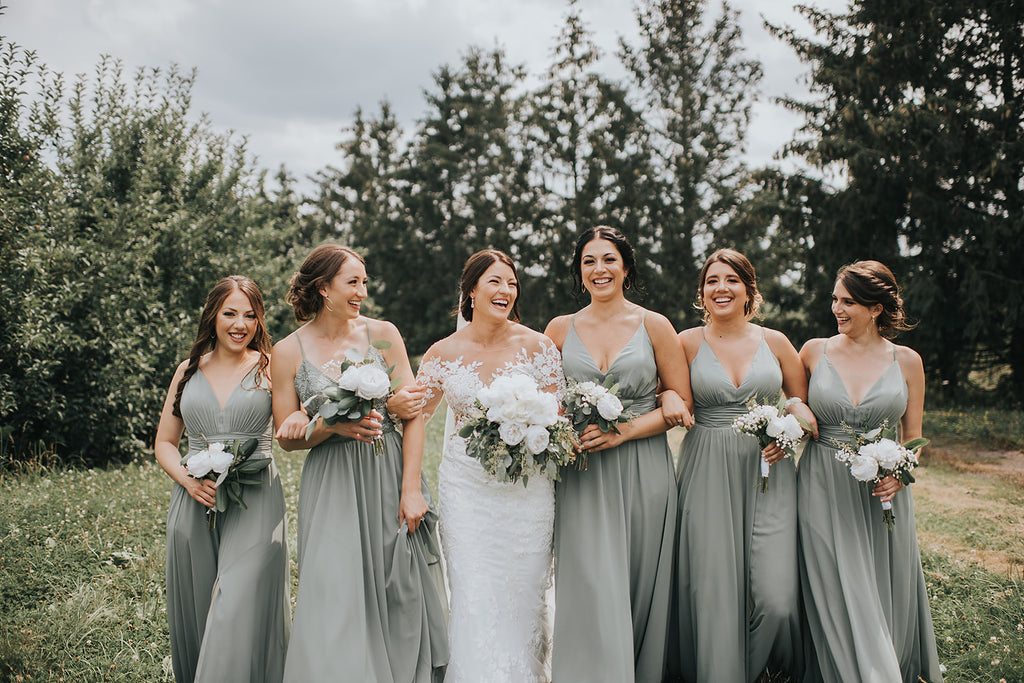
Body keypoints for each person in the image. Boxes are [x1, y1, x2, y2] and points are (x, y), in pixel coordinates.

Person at [271, 245, 448, 683]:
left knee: (396, 586)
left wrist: (411, 489)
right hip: (331, 482)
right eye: (353, 283)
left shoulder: (382, 333)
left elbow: (413, 414)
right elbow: (287, 440)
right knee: (336, 587)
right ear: (322, 287)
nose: (362, 292)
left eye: (364, 282)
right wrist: (329, 427)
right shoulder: (287, 352)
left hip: (387, 471)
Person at [543, 226, 693, 683]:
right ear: (579, 271)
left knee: (637, 577)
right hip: (582, 470)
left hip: (642, 467)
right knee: (588, 578)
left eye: (608, 259)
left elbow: (680, 402)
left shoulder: (654, 325)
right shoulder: (559, 329)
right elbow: (548, 403)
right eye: (589, 261)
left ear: (626, 268)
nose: (599, 269)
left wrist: (623, 432)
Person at [415, 249, 564, 682]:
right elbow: (415, 419)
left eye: (512, 283)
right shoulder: (443, 353)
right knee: (474, 592)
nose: (506, 291)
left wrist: (536, 431)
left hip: (528, 492)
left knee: (525, 591)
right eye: (495, 282)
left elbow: (559, 418)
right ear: (471, 291)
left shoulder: (538, 346)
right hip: (467, 492)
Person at [668, 248, 817, 682]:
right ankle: (718, 670)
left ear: (749, 290)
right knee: (712, 585)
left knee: (776, 595)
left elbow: (803, 401)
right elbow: (669, 392)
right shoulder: (685, 342)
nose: (721, 288)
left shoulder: (775, 342)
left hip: (769, 470)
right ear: (702, 292)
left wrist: (789, 422)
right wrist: (668, 397)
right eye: (712, 281)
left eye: (731, 280)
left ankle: (762, 664)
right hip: (706, 468)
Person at [797, 260, 942, 682]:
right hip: (822, 481)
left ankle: (885, 658)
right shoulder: (813, 351)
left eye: (848, 302)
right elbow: (793, 402)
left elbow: (913, 438)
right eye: (835, 300)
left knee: (877, 580)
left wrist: (902, 470)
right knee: (834, 579)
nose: (837, 310)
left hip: (883, 490)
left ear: (876, 309)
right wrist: (794, 409)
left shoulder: (908, 361)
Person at [154, 275, 290, 683]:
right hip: (193, 502)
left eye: (250, 315)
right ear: (213, 315)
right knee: (198, 609)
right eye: (230, 313)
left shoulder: (270, 368)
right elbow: (164, 442)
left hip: (257, 500)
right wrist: (188, 481)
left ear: (259, 320)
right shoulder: (188, 370)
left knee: (234, 600)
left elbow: (289, 431)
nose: (240, 324)